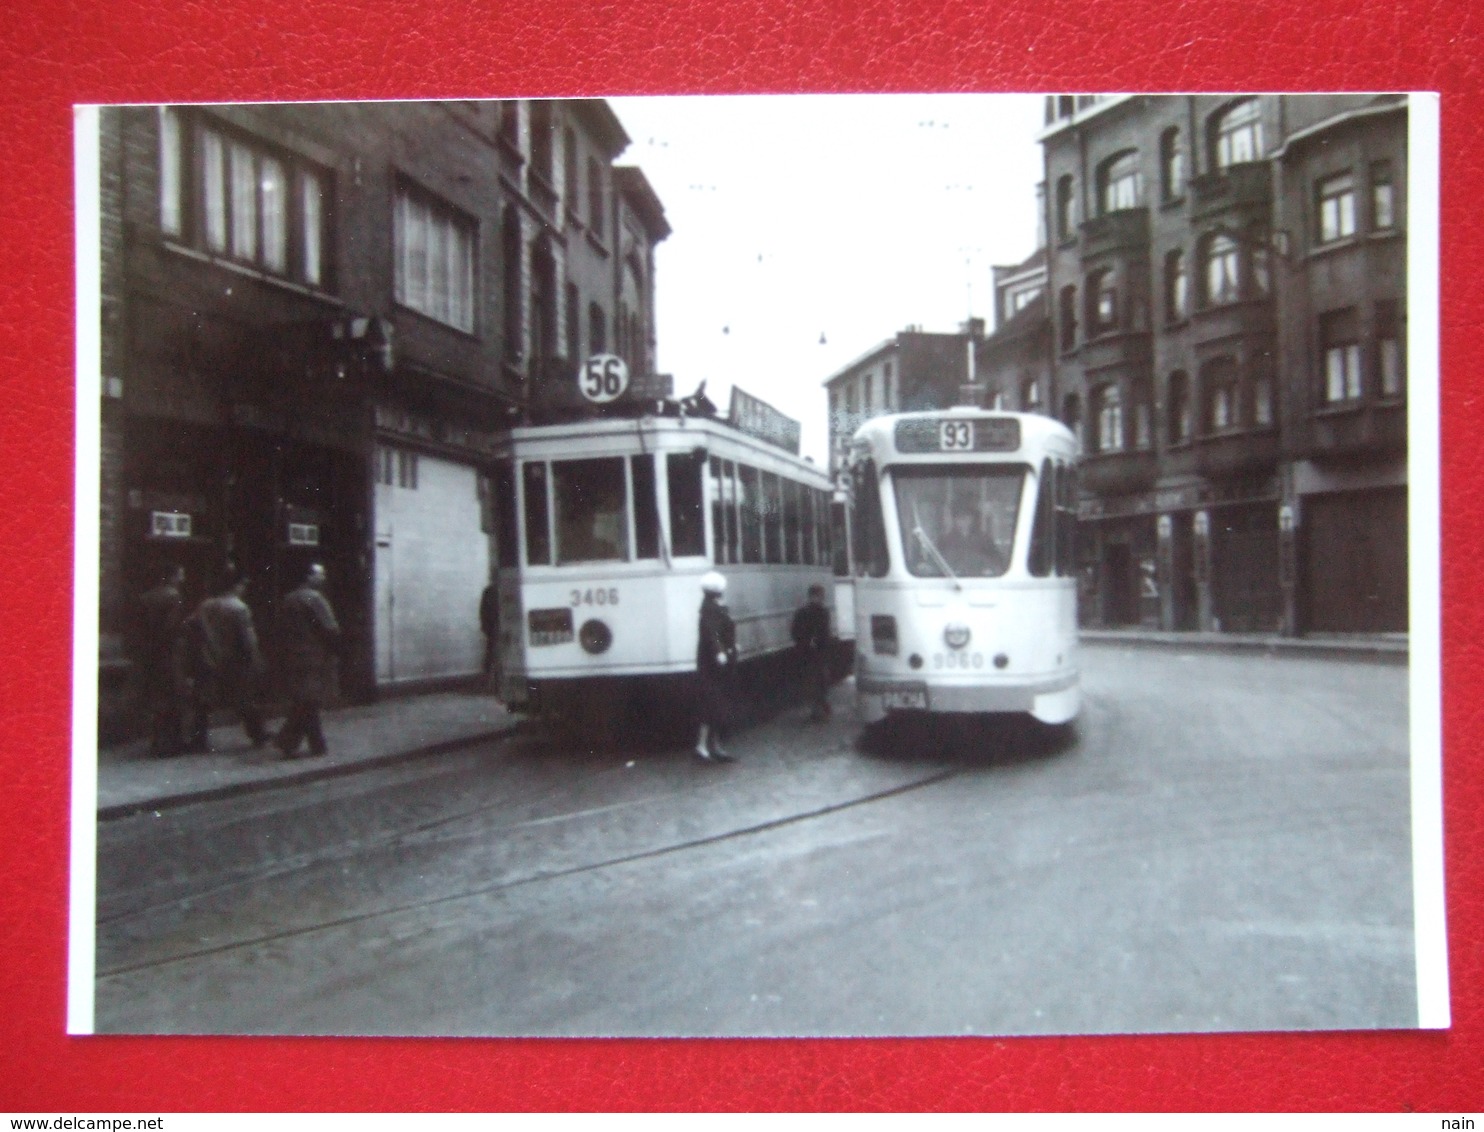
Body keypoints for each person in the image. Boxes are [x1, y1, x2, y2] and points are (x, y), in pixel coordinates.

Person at [184, 566, 269, 752]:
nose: (244, 588)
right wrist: (256, 660)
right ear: (235, 585)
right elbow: (248, 639)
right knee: (244, 698)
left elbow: (191, 626)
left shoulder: (205, 605)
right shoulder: (239, 608)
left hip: (208, 657)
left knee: (203, 702)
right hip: (234, 659)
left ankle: (199, 740)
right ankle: (258, 733)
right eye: (242, 584)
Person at [275, 562, 341, 759]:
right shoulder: (315, 599)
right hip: (314, 655)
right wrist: (335, 648)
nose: (323, 577)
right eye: (320, 574)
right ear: (309, 577)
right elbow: (330, 628)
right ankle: (289, 739)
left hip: (292, 655)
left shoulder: (289, 598)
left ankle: (313, 744)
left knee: (305, 698)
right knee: (309, 699)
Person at [134, 563, 188, 757]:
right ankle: (172, 743)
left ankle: (158, 741)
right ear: (172, 576)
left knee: (158, 699)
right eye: (180, 574)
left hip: (151, 655)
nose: (183, 578)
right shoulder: (174, 597)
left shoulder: (145, 597)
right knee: (173, 699)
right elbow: (172, 627)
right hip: (170, 654)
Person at [694, 570, 738, 763]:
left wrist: (731, 646)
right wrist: (720, 651)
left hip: (720, 661)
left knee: (719, 704)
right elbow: (712, 634)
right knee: (712, 704)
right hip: (713, 663)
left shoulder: (714, 607)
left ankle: (714, 745)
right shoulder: (710, 610)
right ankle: (704, 746)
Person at [790, 583, 834, 722]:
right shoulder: (823, 613)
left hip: (806, 653)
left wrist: (802, 644)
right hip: (819, 653)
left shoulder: (801, 613)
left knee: (812, 681)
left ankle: (818, 707)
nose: (820, 599)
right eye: (820, 596)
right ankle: (820, 707)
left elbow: (794, 632)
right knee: (821, 681)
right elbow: (826, 634)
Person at [479, 581, 499, 683]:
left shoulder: (488, 591)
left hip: (492, 628)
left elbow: (483, 611)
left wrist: (485, 626)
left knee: (491, 653)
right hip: (495, 627)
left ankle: (487, 678)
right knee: (492, 653)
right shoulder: (490, 591)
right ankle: (490, 678)